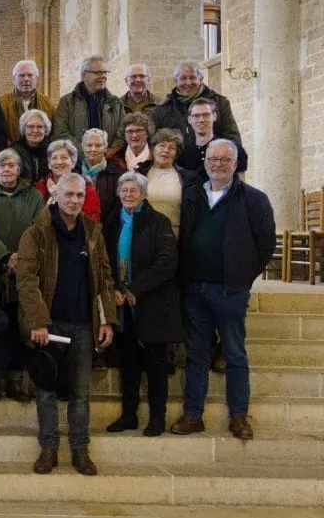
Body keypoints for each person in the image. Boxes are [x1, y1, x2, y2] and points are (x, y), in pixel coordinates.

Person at [171, 140, 275, 441]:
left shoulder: (253, 199)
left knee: (234, 353)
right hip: (195, 288)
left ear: (234, 164)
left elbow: (266, 244)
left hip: (230, 290)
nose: (217, 164)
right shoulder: (192, 195)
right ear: (205, 162)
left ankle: (239, 416)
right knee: (196, 354)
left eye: (224, 159)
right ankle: (193, 414)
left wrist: (243, 277)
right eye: (212, 158)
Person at [17, 173, 116, 476]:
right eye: (69, 194)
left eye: (80, 196)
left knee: (80, 393)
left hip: (84, 324)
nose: (74, 201)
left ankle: (79, 450)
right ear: (56, 194)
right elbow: (27, 281)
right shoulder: (37, 232)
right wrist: (38, 321)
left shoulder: (93, 233)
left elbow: (105, 279)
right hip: (49, 325)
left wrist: (108, 319)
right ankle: (48, 449)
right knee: (46, 391)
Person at [102, 172, 183, 437]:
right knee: (128, 363)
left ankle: (157, 418)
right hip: (121, 304)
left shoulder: (159, 222)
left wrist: (135, 289)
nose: (128, 194)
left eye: (134, 190)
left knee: (156, 364)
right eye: (124, 190)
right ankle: (129, 416)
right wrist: (114, 287)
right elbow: (104, 261)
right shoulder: (111, 223)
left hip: (151, 302)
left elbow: (167, 262)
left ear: (144, 194)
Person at [0, 150, 45, 402]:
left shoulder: (34, 195)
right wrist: (5, 256)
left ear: (19, 168)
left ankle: (15, 380)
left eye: (11, 165)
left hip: (24, 272)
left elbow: (38, 229)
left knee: (18, 328)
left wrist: (20, 258)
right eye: (1, 165)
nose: (6, 169)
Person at [150, 61, 241, 144]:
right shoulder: (161, 109)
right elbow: (153, 141)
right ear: (175, 80)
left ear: (201, 78)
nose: (188, 82)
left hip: (210, 159)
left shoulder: (219, 103)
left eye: (192, 77)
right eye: (183, 78)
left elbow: (232, 136)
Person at [53, 55, 125, 151]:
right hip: (77, 161)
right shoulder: (66, 102)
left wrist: (107, 152)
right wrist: (86, 152)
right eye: (98, 73)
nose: (103, 76)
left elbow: (122, 133)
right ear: (83, 76)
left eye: (104, 72)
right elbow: (61, 133)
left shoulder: (116, 103)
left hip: (109, 159)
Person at [136, 128, 195, 235]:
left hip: (174, 237)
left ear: (176, 153)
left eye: (172, 147)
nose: (166, 150)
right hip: (143, 235)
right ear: (153, 149)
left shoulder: (187, 178)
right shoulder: (139, 174)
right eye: (162, 145)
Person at [175, 98, 249, 177]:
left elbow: (241, 183)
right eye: (196, 116)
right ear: (189, 120)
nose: (201, 120)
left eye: (206, 115)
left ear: (214, 116)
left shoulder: (233, 148)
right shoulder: (183, 153)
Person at [35, 140, 101, 223]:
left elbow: (91, 225)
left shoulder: (86, 190)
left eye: (64, 158)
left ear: (73, 163)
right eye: (54, 158)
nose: (59, 162)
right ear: (49, 164)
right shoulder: (39, 188)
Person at [0, 60, 57, 145]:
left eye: (30, 75)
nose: (26, 79)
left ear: (36, 79)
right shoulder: (1, 103)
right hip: (11, 152)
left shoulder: (48, 103)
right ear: (14, 79)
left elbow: (54, 132)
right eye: (21, 75)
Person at [80, 128, 125, 220]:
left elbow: (119, 208)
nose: (93, 149)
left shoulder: (118, 173)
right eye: (89, 145)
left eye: (98, 145)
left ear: (105, 148)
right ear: (82, 147)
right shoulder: (75, 171)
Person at [12, 109, 53, 182]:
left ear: (45, 129)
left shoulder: (54, 150)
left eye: (40, 127)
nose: (35, 130)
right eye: (30, 127)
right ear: (24, 129)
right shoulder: (13, 152)